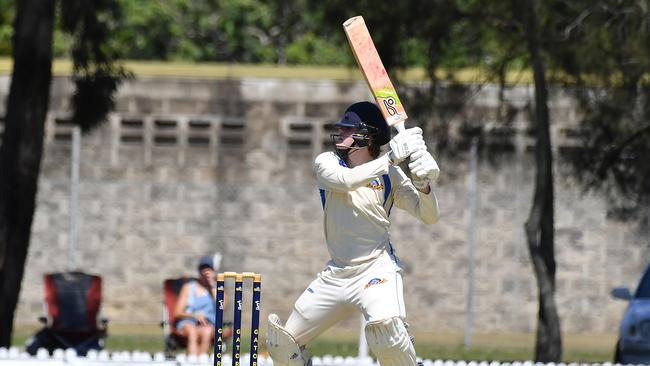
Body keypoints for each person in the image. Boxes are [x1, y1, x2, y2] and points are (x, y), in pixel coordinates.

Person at [266, 101, 440, 366]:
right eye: (341, 127)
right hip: (336, 274)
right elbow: (346, 181)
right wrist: (390, 158)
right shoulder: (327, 163)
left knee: (388, 337)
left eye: (348, 128)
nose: (340, 131)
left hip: (376, 270)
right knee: (282, 346)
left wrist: (424, 185)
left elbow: (429, 216)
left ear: (367, 136)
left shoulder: (390, 175)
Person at [174, 255, 218, 355]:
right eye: (203, 268)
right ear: (198, 270)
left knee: (206, 332)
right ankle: (193, 361)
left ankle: (201, 361)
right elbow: (177, 312)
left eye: (208, 269)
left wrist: (212, 284)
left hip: (208, 324)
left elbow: (222, 305)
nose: (205, 272)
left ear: (213, 270)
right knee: (192, 331)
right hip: (188, 321)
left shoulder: (216, 287)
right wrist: (195, 315)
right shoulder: (188, 287)